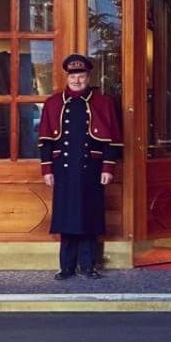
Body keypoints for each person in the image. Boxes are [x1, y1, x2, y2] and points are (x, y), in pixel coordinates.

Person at [37, 54, 122, 279]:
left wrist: (108, 168)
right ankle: (66, 267)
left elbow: (113, 141)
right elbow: (45, 141)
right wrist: (47, 170)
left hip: (91, 170)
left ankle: (88, 266)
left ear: (88, 76)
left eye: (81, 75)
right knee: (66, 218)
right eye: (73, 76)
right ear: (67, 77)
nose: (76, 80)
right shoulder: (53, 103)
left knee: (89, 217)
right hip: (63, 170)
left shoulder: (103, 103)